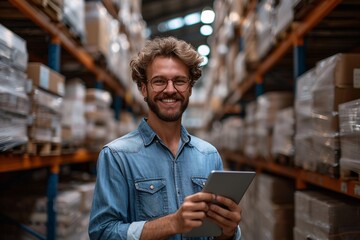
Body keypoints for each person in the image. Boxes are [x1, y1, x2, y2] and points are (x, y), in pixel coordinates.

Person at [88, 36, 242, 240]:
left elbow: (215, 235)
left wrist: (229, 231)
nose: (170, 90)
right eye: (159, 81)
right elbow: (102, 233)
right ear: (144, 88)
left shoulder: (209, 155)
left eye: (179, 81)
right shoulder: (117, 156)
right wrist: (172, 223)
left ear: (190, 88)